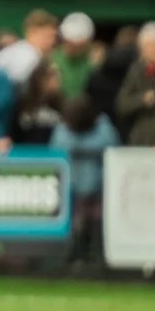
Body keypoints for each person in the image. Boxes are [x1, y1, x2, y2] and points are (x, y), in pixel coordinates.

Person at [49, 96, 118, 263]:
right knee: (75, 226)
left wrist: (79, 146)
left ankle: (97, 258)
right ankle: (71, 257)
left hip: (98, 187)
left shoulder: (103, 127)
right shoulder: (63, 129)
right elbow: (56, 147)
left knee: (97, 226)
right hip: (72, 188)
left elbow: (113, 147)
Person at [0, 9, 57, 87]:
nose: (52, 41)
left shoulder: (14, 50)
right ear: (33, 31)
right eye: (49, 36)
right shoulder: (30, 57)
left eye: (53, 37)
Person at [52, 12, 103, 101]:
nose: (72, 49)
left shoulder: (95, 60)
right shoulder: (53, 60)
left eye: (78, 46)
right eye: (69, 43)